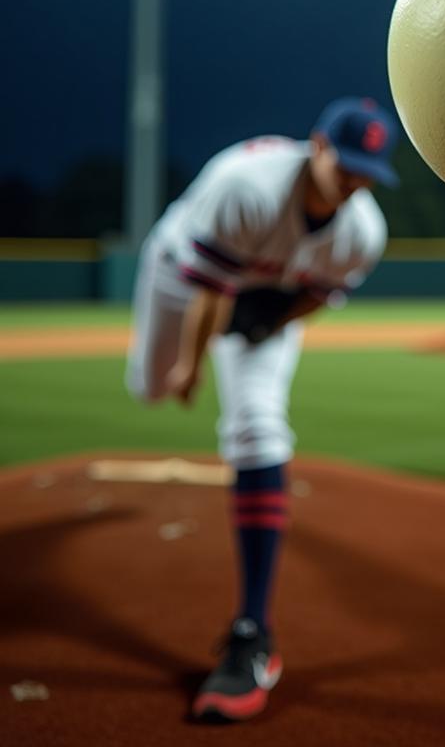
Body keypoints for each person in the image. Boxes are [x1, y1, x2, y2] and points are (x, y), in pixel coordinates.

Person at [125, 97, 398, 722]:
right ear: (318, 146)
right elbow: (211, 292)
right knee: (153, 386)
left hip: (263, 296)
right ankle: (168, 376)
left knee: (257, 428)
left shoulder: (364, 232)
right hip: (181, 276)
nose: (354, 182)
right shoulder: (246, 185)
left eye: (368, 173)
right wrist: (193, 368)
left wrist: (271, 318)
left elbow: (317, 298)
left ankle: (253, 632)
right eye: (346, 165)